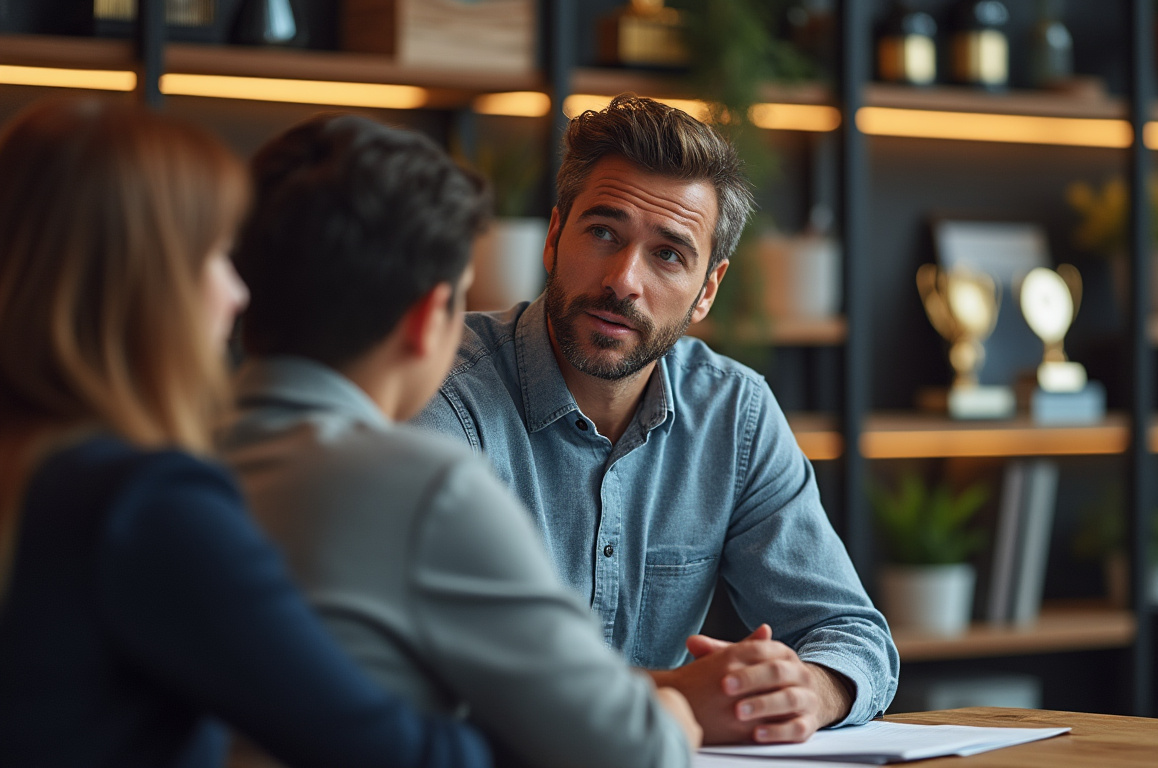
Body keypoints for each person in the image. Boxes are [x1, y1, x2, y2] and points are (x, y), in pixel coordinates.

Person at [0, 98, 487, 768]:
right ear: (148, 285)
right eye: (218, 256)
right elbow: (389, 753)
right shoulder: (143, 506)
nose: (239, 293)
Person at [413, 94, 900, 745]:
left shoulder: (734, 413)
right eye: (603, 233)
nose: (623, 281)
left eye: (668, 254)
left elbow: (852, 634)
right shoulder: (442, 390)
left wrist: (805, 689)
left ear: (708, 290)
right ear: (554, 238)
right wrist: (675, 697)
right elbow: (438, 669)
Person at [217, 114, 699, 768]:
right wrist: (674, 710)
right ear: (427, 320)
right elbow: (637, 754)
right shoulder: (423, 489)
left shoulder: (165, 461)